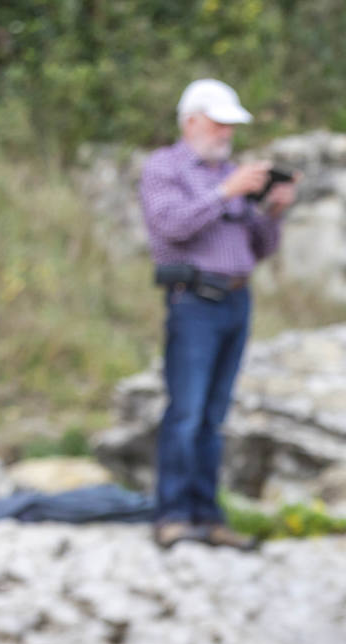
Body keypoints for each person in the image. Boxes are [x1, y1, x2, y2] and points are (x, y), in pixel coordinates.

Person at [139, 78, 297, 549]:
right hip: (194, 303)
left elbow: (261, 246)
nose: (227, 131)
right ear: (191, 120)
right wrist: (225, 192)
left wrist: (273, 212)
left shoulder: (232, 172)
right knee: (185, 413)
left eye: (231, 124)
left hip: (236, 300)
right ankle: (172, 514)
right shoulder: (164, 168)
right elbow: (170, 225)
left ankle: (207, 515)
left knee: (213, 416)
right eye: (219, 121)